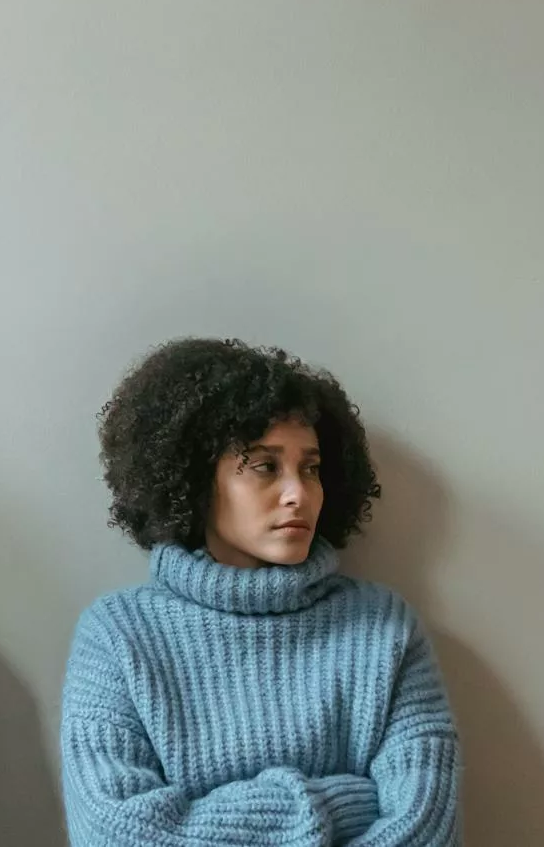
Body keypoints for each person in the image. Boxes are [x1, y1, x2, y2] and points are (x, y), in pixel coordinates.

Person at [61, 338, 460, 846]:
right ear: (196, 481)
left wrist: (206, 817)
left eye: (311, 468)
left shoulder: (384, 628)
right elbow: (114, 834)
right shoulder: (117, 636)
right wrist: (344, 802)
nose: (299, 492)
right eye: (265, 466)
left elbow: (427, 831)